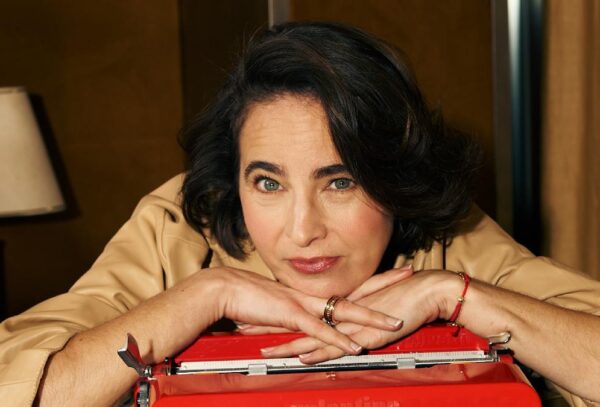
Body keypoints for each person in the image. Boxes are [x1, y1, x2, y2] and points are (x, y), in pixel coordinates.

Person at [1, 22, 599, 407]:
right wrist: (204, 295)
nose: (302, 230)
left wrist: (454, 293)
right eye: (268, 182)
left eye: (340, 182)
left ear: (394, 181)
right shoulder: (179, 227)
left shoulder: (444, 234)